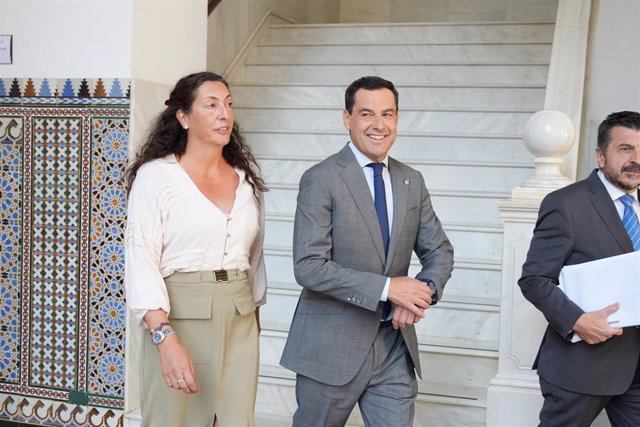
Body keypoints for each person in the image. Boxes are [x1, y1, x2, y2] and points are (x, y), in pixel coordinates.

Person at [280, 76, 454, 426]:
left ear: (397, 120)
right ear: (347, 118)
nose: (379, 125)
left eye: (388, 114)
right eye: (366, 114)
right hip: (331, 348)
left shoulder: (411, 180)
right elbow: (309, 266)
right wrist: (390, 289)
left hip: (393, 347)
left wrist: (421, 294)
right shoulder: (322, 178)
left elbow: (439, 251)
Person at [124, 71, 267, 427]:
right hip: (179, 318)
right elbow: (141, 258)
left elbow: (254, 259)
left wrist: (252, 318)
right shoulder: (156, 176)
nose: (225, 114)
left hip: (240, 320)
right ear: (183, 117)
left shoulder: (246, 179)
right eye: (211, 105)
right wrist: (164, 337)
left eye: (229, 105)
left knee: (235, 422)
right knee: (171, 420)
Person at [519, 111, 640, 426]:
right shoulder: (566, 204)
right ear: (601, 156)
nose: (636, 159)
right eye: (625, 149)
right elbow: (534, 279)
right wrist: (578, 321)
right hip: (581, 366)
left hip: (636, 368)